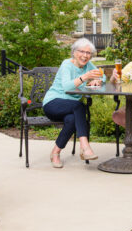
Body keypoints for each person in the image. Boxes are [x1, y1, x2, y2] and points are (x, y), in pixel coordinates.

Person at [42, 38, 104, 168]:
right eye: (82, 51)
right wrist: (85, 77)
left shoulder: (87, 65)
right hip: (53, 103)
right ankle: (85, 147)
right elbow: (67, 87)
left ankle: (55, 153)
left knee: (72, 119)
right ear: (74, 52)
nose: (85, 56)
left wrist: (97, 81)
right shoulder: (67, 64)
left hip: (71, 109)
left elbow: (102, 75)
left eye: (88, 53)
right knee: (79, 106)